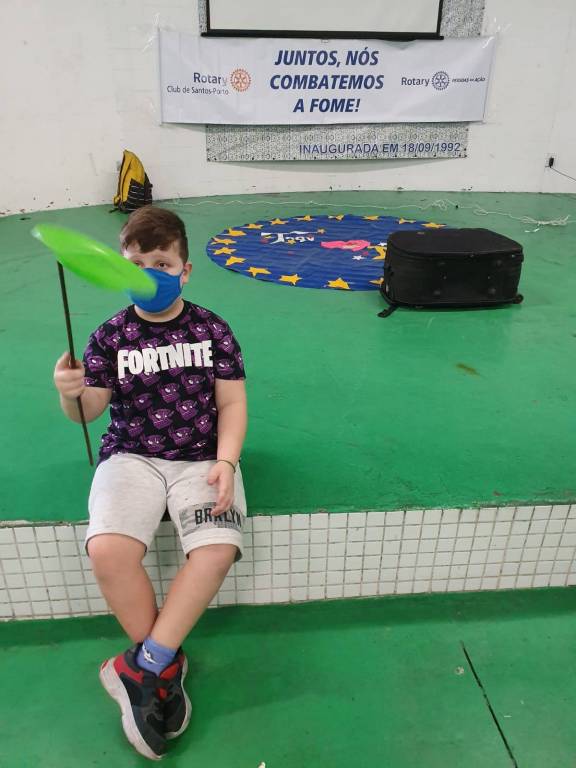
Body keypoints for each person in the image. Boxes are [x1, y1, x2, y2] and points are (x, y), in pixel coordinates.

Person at [53, 206, 248, 760]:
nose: (149, 273)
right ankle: (162, 665)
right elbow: (89, 410)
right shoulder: (109, 336)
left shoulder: (213, 329)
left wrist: (227, 461)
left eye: (161, 262)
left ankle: (141, 667)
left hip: (202, 458)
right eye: (136, 264)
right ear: (120, 269)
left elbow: (232, 403)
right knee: (108, 550)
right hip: (131, 456)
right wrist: (69, 392)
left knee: (216, 551)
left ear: (185, 270)